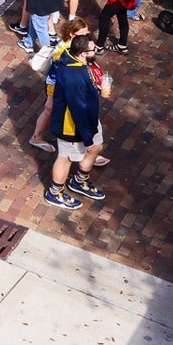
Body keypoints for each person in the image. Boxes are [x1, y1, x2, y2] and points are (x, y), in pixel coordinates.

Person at [42, 21, 106, 209]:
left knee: (96, 147)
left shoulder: (78, 61)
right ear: (83, 53)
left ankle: (79, 181)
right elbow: (77, 107)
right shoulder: (73, 76)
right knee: (66, 157)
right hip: (72, 125)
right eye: (93, 50)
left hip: (88, 120)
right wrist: (86, 135)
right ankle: (55, 192)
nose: (96, 51)